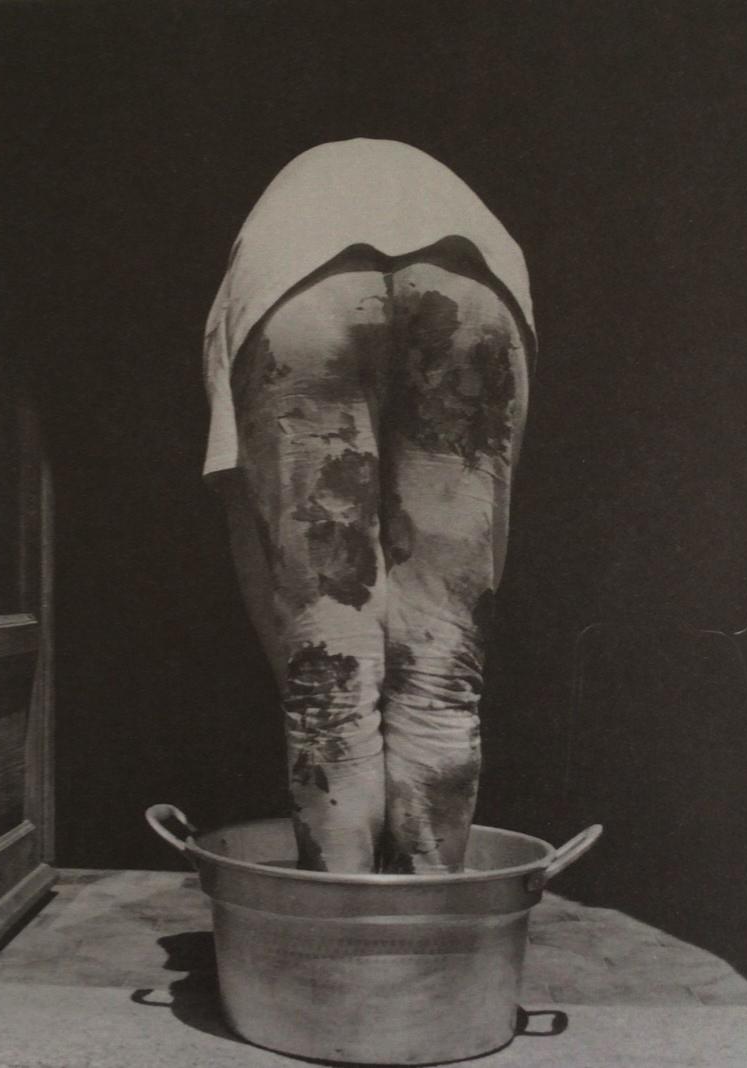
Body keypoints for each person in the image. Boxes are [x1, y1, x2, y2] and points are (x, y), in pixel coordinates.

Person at [204, 138, 535, 874]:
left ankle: (345, 925)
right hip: (473, 270)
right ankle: (429, 923)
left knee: (328, 680)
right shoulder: (444, 187)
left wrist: (313, 664)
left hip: (296, 276)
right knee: (443, 678)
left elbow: (245, 526)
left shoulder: (289, 203)